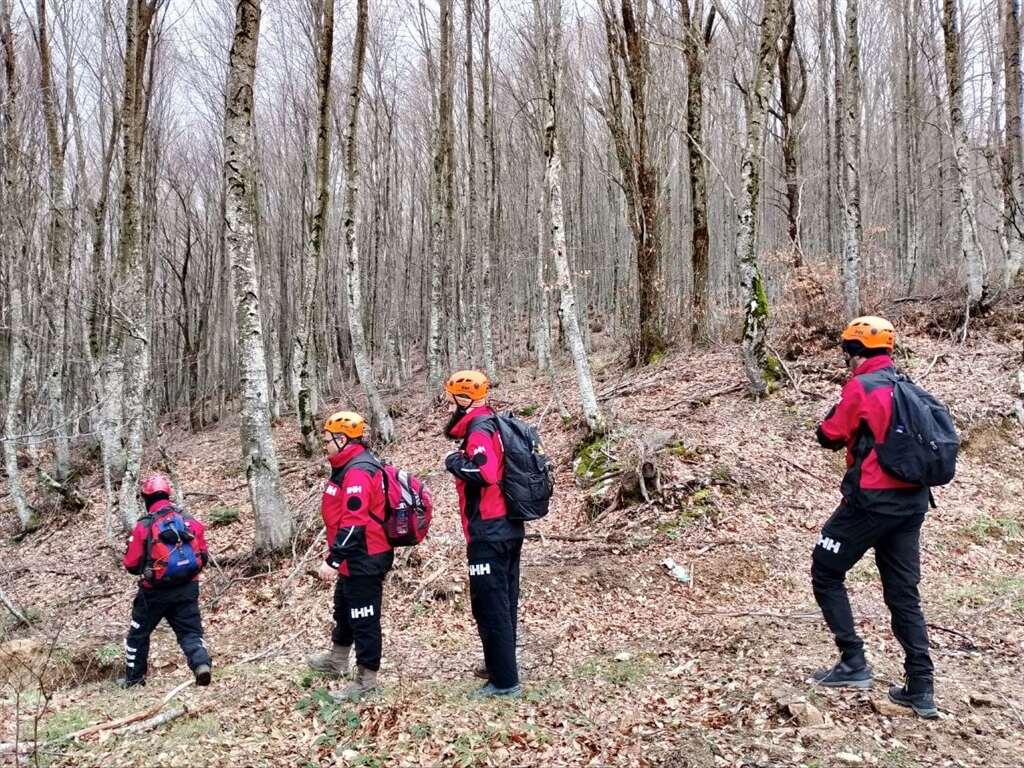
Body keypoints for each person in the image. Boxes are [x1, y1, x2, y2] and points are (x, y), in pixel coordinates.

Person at [810, 316, 937, 718]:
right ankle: (921, 688)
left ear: (854, 351)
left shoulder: (861, 387)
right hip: (913, 504)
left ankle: (853, 662)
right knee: (904, 595)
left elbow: (828, 435)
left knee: (825, 570)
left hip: (870, 503)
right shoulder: (908, 387)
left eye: (848, 349)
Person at [443, 370, 524, 698]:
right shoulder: (492, 423)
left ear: (463, 399)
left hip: (489, 529)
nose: (449, 406)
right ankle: (500, 664)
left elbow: (485, 472)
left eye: (451, 399)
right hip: (507, 525)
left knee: (490, 603)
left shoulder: (479, 429)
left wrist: (453, 462)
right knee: (503, 599)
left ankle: (504, 682)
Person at [307, 411, 393, 702]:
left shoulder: (357, 470)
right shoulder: (345, 465)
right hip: (351, 555)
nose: (325, 445)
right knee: (343, 607)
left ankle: (367, 679)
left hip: (365, 555)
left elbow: (355, 523)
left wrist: (333, 559)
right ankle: (337, 660)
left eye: (328, 440)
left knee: (364, 616)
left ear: (343, 439)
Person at [121, 473, 212, 688]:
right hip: (188, 587)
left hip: (154, 593)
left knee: (138, 635)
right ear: (168, 494)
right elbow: (204, 555)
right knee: (190, 632)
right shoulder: (188, 520)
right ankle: (201, 664)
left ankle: (134, 680)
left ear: (146, 498)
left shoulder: (144, 525)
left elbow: (131, 565)